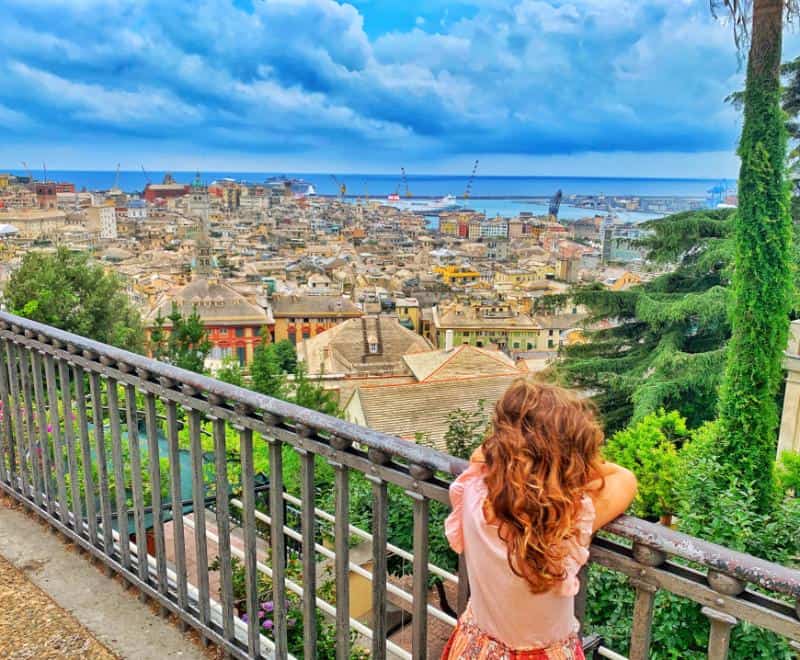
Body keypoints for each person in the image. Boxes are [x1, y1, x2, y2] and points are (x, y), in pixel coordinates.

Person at [442, 380, 637, 660]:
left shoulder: (474, 490)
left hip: (477, 647)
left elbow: (480, 455)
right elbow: (625, 479)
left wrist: (508, 450)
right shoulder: (567, 518)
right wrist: (574, 456)